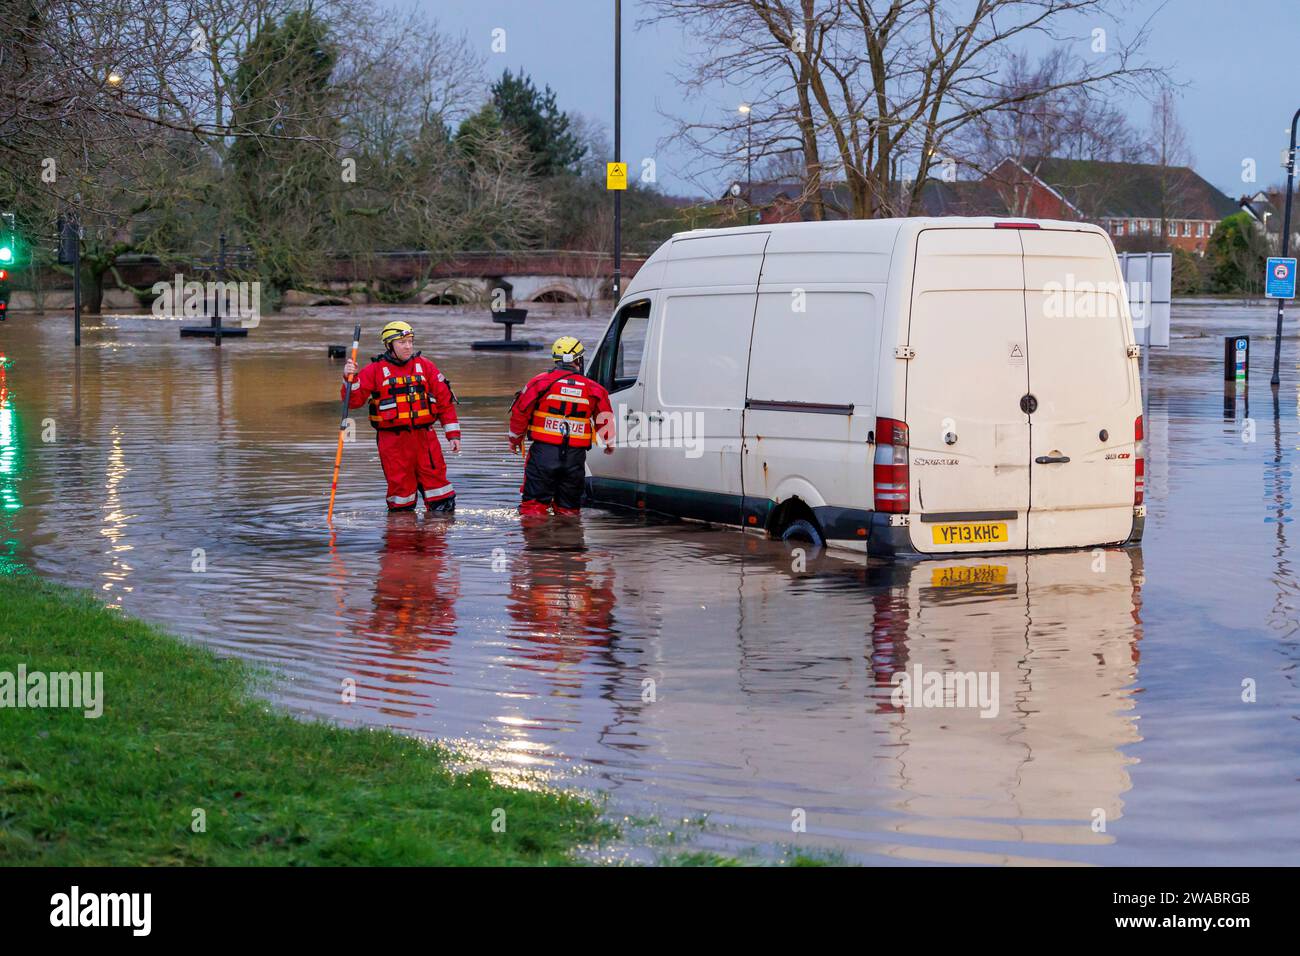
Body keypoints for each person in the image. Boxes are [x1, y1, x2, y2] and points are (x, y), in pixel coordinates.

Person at [342, 320, 460, 512]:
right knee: (401, 499)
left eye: (410, 341)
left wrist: (453, 435)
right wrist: (351, 379)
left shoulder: (426, 366)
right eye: (402, 342)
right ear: (390, 345)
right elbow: (353, 402)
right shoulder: (374, 371)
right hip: (393, 443)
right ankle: (403, 536)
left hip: (425, 440)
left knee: (441, 495)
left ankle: (438, 536)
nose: (408, 347)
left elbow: (444, 402)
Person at [507, 336, 614, 517]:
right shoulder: (595, 389)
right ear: (578, 360)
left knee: (533, 509)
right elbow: (605, 417)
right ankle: (569, 541)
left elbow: (521, 411)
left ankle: (535, 543)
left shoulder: (539, 382)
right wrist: (609, 442)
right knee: (569, 510)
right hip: (575, 458)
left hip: (543, 454)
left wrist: (515, 439)